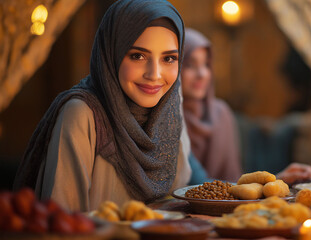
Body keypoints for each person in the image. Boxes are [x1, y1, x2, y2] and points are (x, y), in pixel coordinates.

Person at [13, 0, 191, 212]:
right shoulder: (82, 114)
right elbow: (62, 223)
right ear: (111, 54)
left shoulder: (168, 112)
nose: (154, 74)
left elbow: (180, 208)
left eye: (169, 58)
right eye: (137, 56)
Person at [181, 28, 242, 182]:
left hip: (226, 203)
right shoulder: (165, 115)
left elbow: (233, 177)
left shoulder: (221, 113)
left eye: (206, 64)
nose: (202, 74)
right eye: (190, 65)